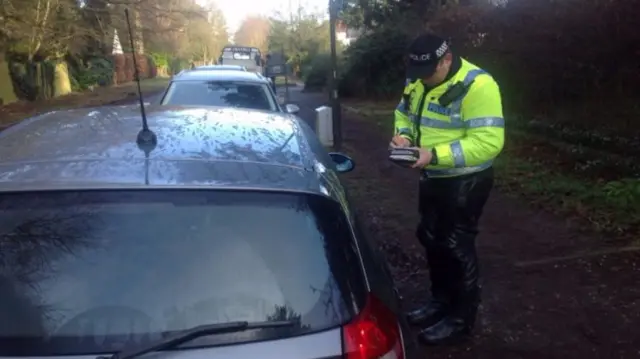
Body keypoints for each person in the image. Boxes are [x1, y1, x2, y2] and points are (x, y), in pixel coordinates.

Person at [390, 33, 504, 345]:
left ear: (447, 60)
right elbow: (403, 112)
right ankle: (439, 301)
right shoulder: (417, 78)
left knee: (455, 244)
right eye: (417, 73)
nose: (422, 80)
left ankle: (460, 318)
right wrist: (402, 136)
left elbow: (489, 142)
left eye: (429, 73)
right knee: (429, 236)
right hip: (433, 174)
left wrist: (434, 155)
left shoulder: (479, 85)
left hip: (467, 179)